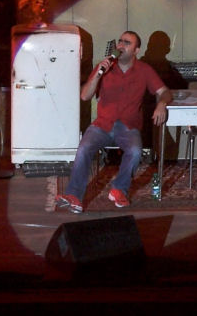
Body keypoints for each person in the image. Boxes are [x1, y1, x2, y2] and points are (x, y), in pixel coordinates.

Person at [56, 30, 171, 212]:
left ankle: (119, 189)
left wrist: (162, 104)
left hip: (128, 126)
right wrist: (99, 73)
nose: (121, 45)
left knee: (135, 150)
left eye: (127, 43)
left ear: (136, 50)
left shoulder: (144, 70)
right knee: (84, 148)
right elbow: (85, 95)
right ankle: (74, 196)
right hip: (103, 124)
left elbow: (164, 92)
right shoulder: (105, 67)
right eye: (120, 41)